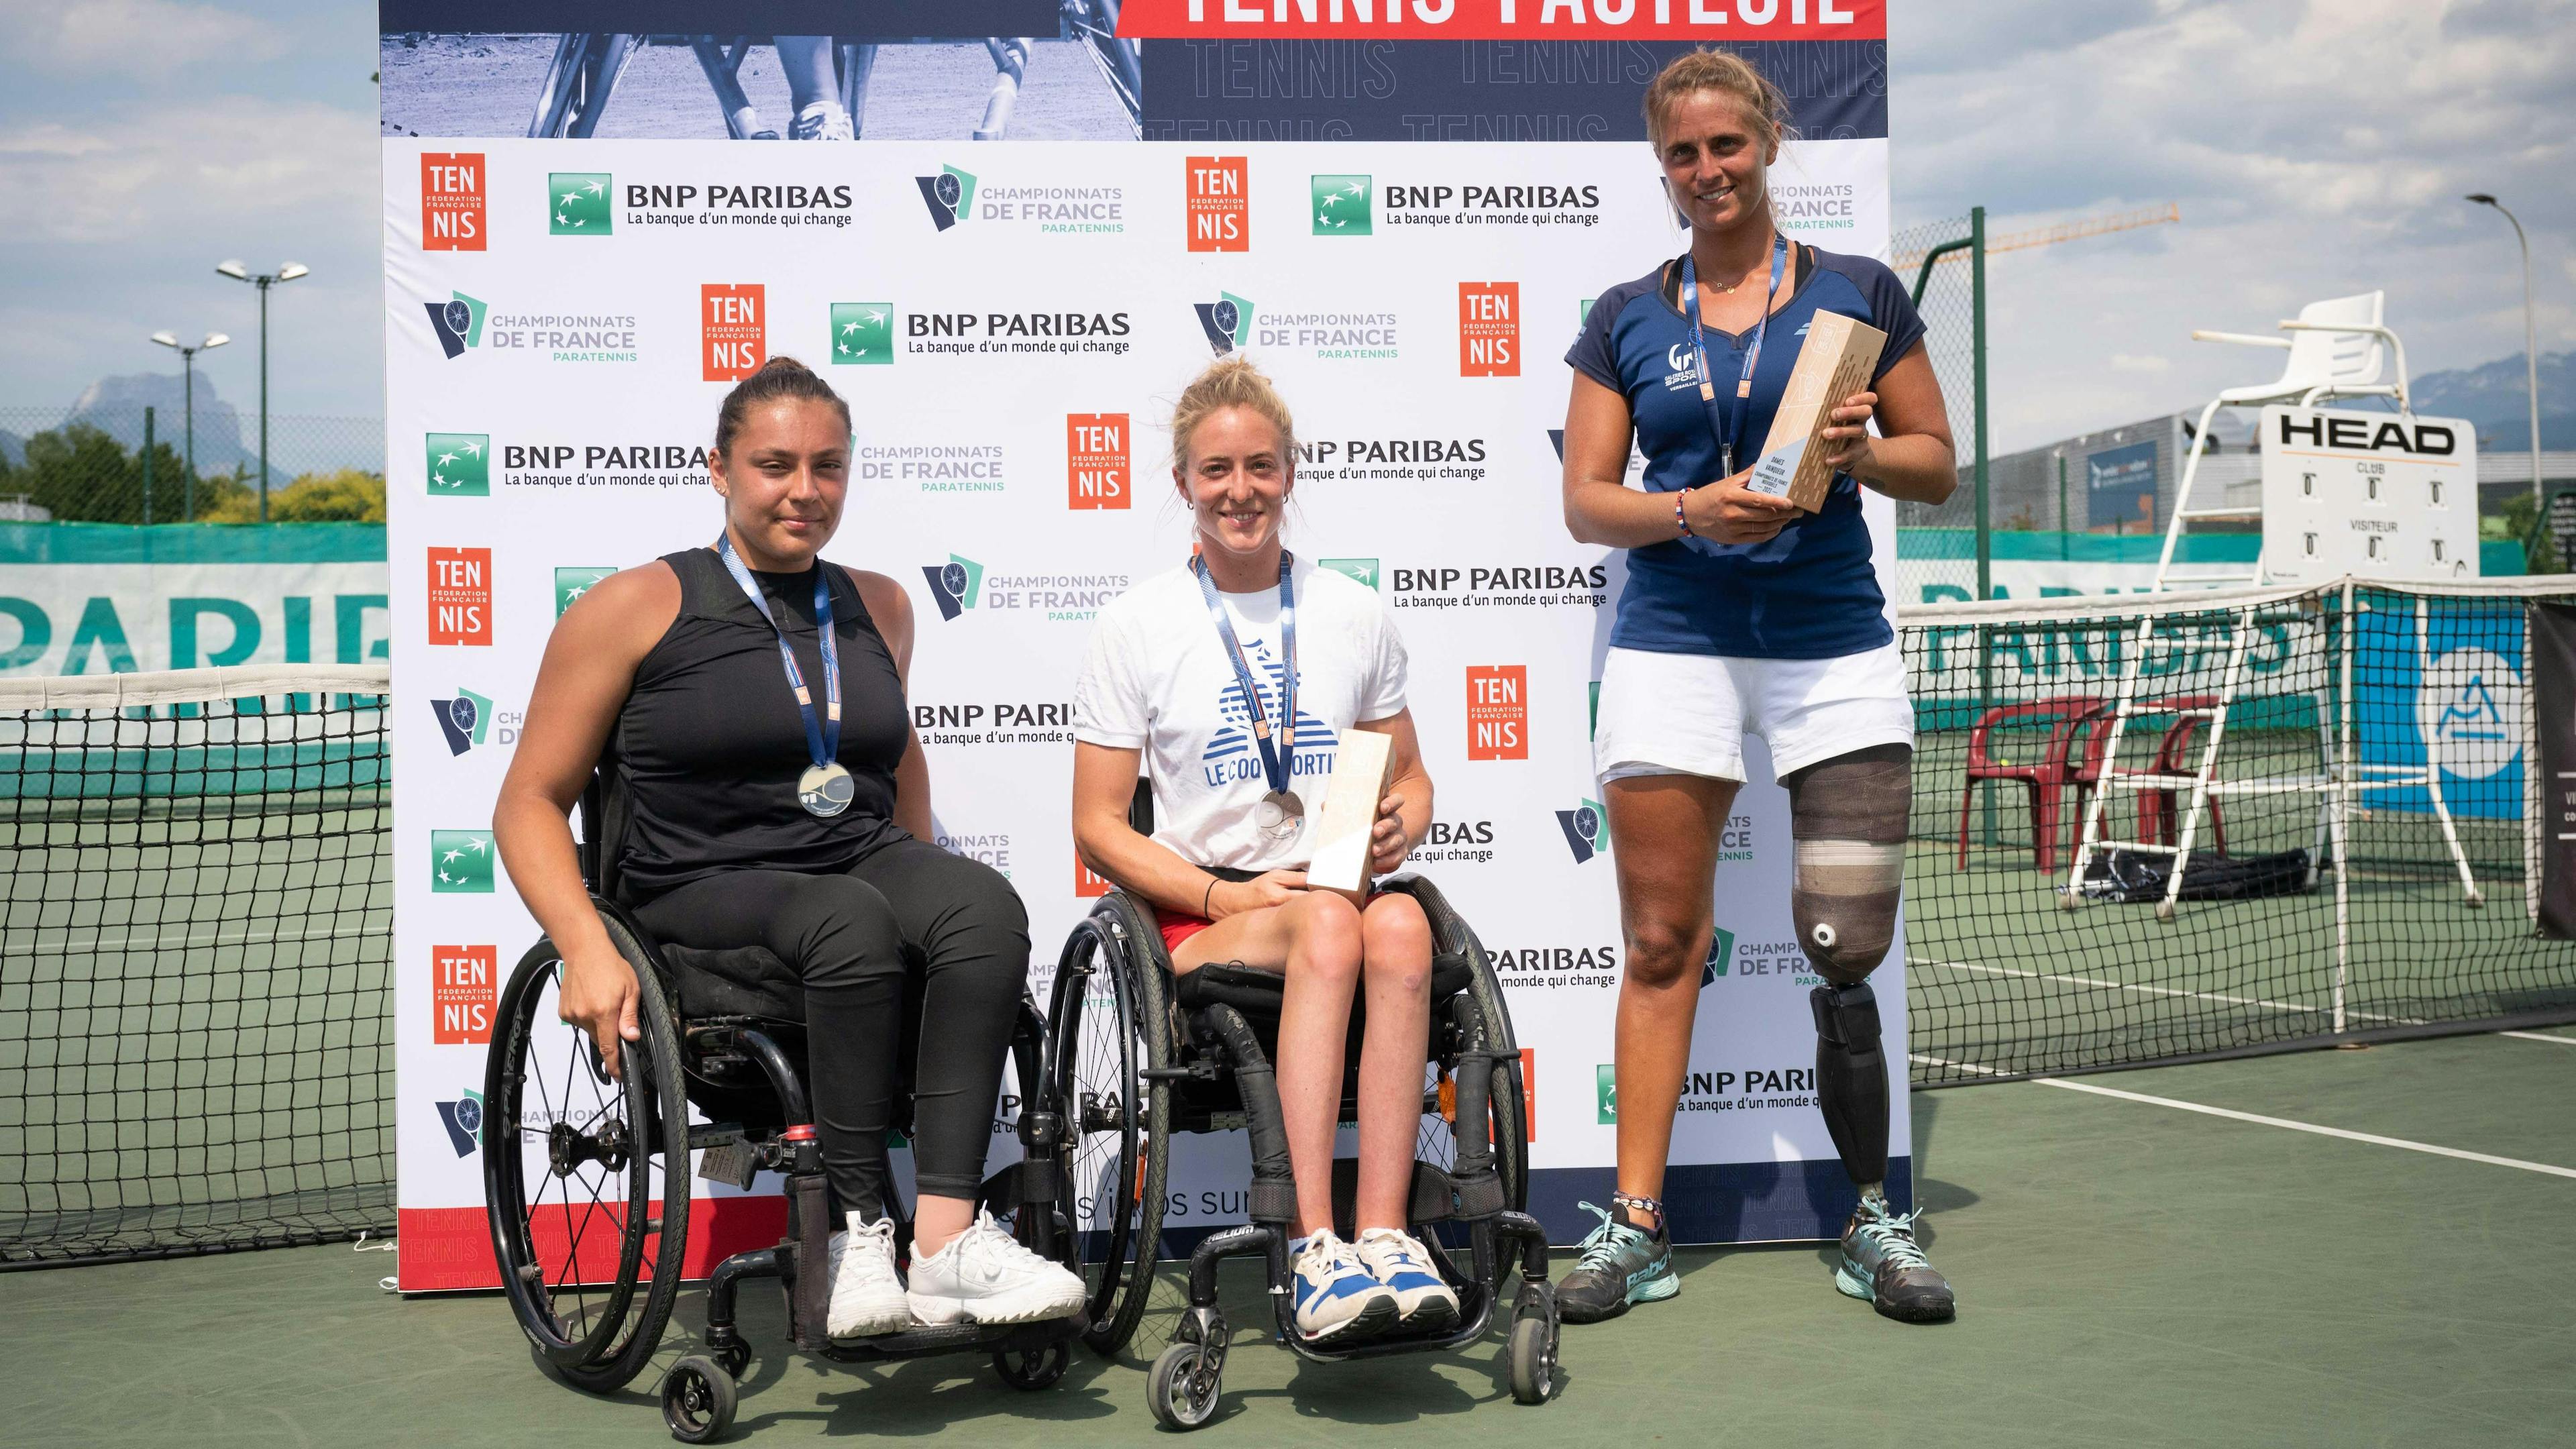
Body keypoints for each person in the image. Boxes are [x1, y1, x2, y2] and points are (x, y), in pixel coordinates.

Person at [492, 356, 1085, 1339]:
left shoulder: (881, 604)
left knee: (984, 907)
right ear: (719, 469)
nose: (804, 490)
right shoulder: (634, 605)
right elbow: (529, 801)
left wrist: (927, 886)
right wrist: (587, 949)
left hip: (850, 859)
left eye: (828, 466)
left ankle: (942, 1242)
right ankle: (858, 1237)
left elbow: (895, 762)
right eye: (775, 465)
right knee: (847, 919)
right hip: (695, 887)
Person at [1554, 50, 1960, 1326]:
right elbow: (1585, 502)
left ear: (1770, 143)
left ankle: (1870, 1220)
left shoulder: (1858, 295)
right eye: (1684, 153)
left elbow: (1937, 464)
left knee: (1847, 947)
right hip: (1673, 641)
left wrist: (1861, 455)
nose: (1709, 170)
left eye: (1728, 145)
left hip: (1831, 643)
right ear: (1662, 167)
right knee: (1664, 943)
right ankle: (1637, 1225)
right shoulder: (1625, 311)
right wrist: (1688, 509)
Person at [1069, 357, 1456, 1346]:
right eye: (1216, 471)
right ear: (1183, 484)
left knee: (1404, 924)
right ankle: (1315, 1247)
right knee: (1334, 927)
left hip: (1333, 883)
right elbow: (1098, 826)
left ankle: (1387, 1232)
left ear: (1292, 472)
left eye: (1261, 467)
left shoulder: (1354, 611)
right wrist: (1221, 896)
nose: (1240, 491)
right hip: (1202, 919)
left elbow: (1411, 777)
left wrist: (1400, 821)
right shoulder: (1136, 625)